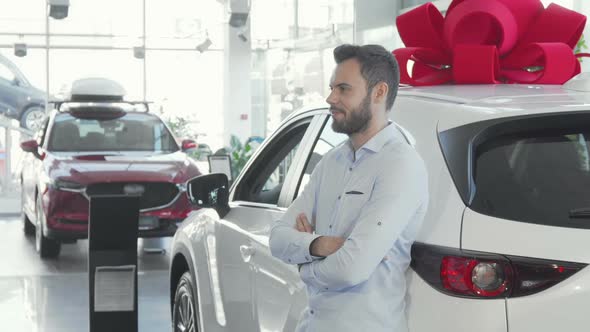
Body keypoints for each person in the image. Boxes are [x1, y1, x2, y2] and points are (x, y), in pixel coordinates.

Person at [269, 44, 429, 332]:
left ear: (379, 92)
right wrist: (320, 245)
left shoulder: (400, 165)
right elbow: (278, 238)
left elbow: (350, 269)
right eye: (332, 88)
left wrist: (304, 264)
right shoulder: (332, 162)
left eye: (344, 89)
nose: (331, 98)